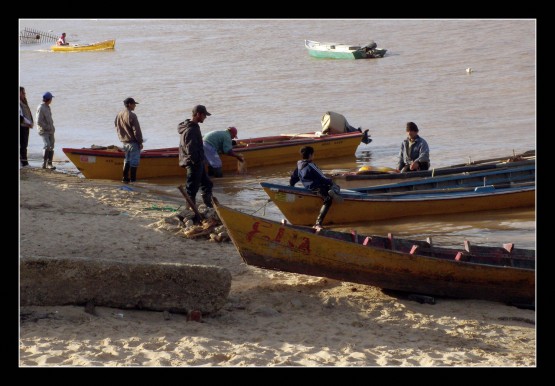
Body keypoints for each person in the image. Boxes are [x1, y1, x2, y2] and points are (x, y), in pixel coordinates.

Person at [290, 146, 342, 231]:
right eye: (313, 154)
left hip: (309, 188)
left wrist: (291, 186)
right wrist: (331, 181)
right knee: (328, 198)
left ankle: (332, 191)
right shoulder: (311, 165)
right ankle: (318, 223)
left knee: (329, 189)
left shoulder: (299, 165)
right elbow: (322, 177)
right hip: (318, 187)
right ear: (310, 155)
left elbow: (294, 178)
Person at [178, 105, 214, 210]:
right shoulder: (191, 129)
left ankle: (209, 207)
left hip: (197, 162)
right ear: (198, 114)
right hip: (194, 163)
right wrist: (197, 162)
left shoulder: (191, 127)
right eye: (204, 115)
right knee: (191, 189)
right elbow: (191, 149)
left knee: (207, 184)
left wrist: (201, 162)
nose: (205, 117)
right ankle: (190, 211)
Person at [115, 97, 143, 183]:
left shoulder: (119, 114)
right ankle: (133, 180)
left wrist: (122, 136)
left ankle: (125, 178)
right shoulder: (132, 115)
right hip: (133, 142)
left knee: (127, 160)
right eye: (134, 104)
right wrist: (140, 142)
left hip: (124, 141)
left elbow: (116, 125)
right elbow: (136, 130)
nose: (135, 106)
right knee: (134, 162)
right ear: (130, 104)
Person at [35, 92, 57, 170]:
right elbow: (38, 121)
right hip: (43, 130)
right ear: (49, 99)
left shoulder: (48, 107)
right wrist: (47, 127)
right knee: (47, 145)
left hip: (51, 130)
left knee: (52, 146)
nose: (51, 100)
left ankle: (50, 164)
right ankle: (44, 164)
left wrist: (52, 128)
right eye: (51, 99)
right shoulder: (41, 107)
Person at [20, 87, 33, 167]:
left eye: (24, 93)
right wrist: (28, 122)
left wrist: (31, 122)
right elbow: (20, 117)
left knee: (25, 145)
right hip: (22, 126)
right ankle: (24, 163)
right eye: (23, 93)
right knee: (23, 145)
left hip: (26, 126)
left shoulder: (24, 101)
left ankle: (24, 162)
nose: (24, 94)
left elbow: (28, 112)